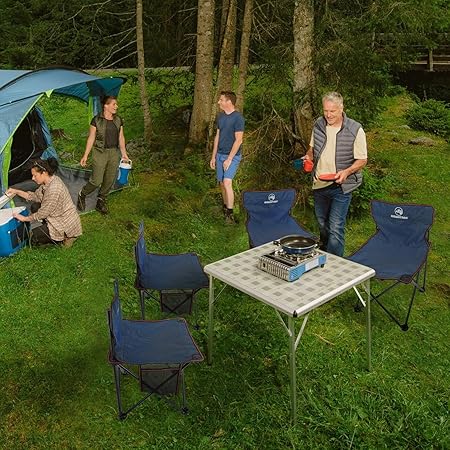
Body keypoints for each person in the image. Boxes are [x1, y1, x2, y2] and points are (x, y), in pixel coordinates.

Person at [303, 92, 367, 256]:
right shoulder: (318, 124)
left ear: (341, 108)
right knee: (322, 224)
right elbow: (311, 150)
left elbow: (362, 160)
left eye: (332, 111)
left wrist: (347, 171)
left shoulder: (355, 129)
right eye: (326, 111)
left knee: (336, 226)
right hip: (319, 183)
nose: (328, 115)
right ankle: (324, 255)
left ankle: (335, 264)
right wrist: (308, 158)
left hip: (341, 186)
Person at [6, 158, 82, 247]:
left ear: (44, 173)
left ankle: (66, 236)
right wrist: (16, 191)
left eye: (35, 175)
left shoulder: (54, 189)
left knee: (32, 239)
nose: (33, 178)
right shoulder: (49, 181)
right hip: (57, 214)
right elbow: (34, 196)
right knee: (35, 207)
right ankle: (50, 230)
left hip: (64, 222)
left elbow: (42, 214)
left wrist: (24, 218)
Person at [77, 96, 129, 215]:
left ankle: (101, 200)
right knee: (96, 181)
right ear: (106, 106)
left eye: (116, 104)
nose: (116, 106)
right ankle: (82, 194)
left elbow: (121, 137)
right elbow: (91, 138)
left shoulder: (118, 120)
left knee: (109, 179)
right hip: (99, 152)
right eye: (114, 104)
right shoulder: (96, 120)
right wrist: (85, 155)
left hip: (114, 152)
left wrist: (124, 154)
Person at [210, 91, 245, 224]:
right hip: (220, 154)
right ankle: (225, 208)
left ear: (229, 102)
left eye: (221, 100)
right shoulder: (220, 117)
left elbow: (239, 140)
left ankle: (230, 215)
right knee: (221, 184)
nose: (219, 102)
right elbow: (217, 136)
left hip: (233, 156)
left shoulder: (238, 118)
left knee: (227, 182)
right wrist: (213, 157)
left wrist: (229, 159)